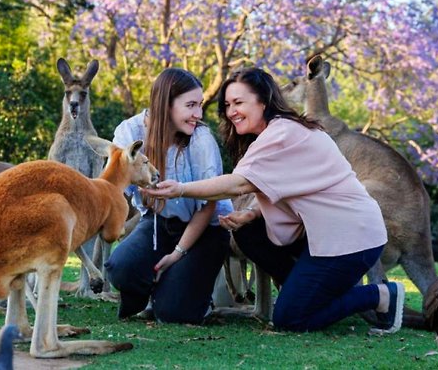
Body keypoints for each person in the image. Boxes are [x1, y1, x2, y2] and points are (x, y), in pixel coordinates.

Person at [144, 67, 405, 333]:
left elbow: (238, 184)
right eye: (227, 105)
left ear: (264, 101)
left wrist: (180, 189)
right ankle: (303, 293)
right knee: (248, 231)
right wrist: (254, 214)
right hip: (322, 235)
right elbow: (289, 186)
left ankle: (381, 295)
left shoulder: (282, 134)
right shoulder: (277, 132)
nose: (232, 111)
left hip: (349, 239)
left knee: (290, 319)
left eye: (239, 102)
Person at [105, 68, 232, 324]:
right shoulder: (130, 133)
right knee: (120, 267)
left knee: (173, 313)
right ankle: (151, 294)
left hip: (204, 230)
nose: (198, 114)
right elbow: (115, 187)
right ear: (166, 104)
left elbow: (208, 207)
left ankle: (180, 294)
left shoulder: (201, 140)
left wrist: (176, 254)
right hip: (157, 224)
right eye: (191, 105)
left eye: (200, 105)